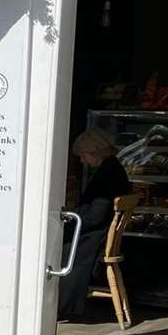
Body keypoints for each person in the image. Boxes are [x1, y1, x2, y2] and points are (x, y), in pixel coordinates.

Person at [59, 128, 133, 317]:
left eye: (84, 156)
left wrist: (67, 223)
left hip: (95, 236)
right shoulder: (113, 169)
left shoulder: (106, 176)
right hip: (103, 232)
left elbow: (95, 217)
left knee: (59, 245)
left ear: (94, 152)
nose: (83, 161)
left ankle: (62, 305)